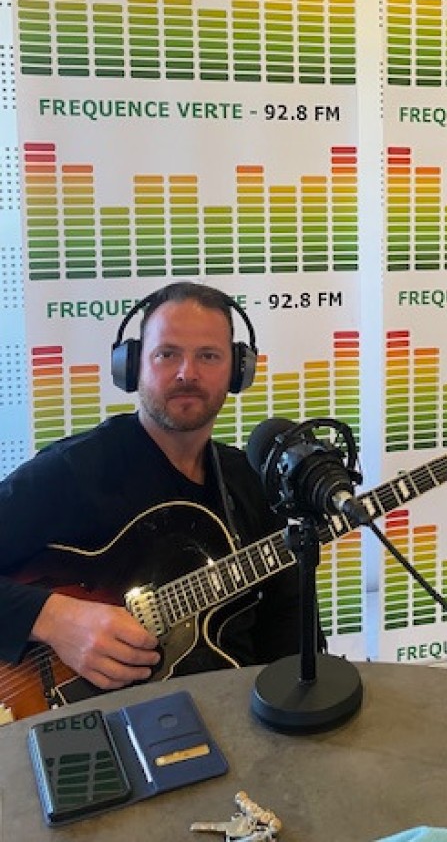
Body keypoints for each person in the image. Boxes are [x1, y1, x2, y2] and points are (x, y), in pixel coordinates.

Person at [0, 281, 309, 709]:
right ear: (132, 367)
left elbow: (286, 625)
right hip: (94, 727)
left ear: (238, 371)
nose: (188, 373)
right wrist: (53, 618)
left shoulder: (249, 480)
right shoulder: (75, 470)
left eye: (208, 356)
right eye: (167, 354)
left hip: (236, 721)